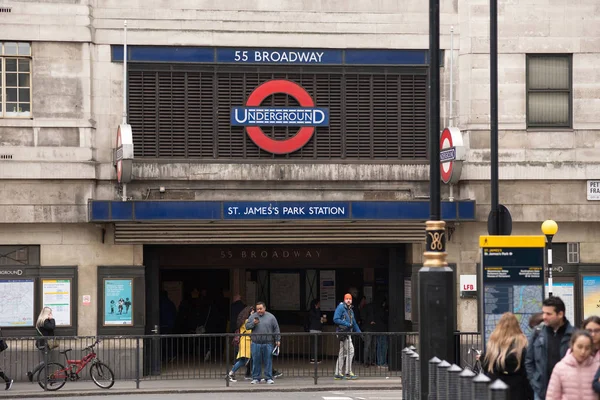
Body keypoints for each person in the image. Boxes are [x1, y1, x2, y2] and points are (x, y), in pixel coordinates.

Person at [525, 296, 575, 400]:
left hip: (566, 392)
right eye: (543, 312)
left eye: (548, 314)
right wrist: (535, 382)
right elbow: (529, 360)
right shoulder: (538, 333)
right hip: (541, 391)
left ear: (560, 314)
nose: (544, 317)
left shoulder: (573, 335)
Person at [481, 312, 533, 400]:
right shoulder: (521, 343)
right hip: (517, 390)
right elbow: (526, 370)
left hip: (496, 388)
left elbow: (486, 366)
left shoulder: (493, 343)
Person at [546, 330, 599, 400]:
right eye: (579, 347)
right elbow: (552, 396)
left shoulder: (597, 366)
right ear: (572, 345)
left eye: (587, 348)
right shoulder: (560, 367)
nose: (583, 352)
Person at [245, 302, 281, 384]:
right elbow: (247, 327)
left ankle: (268, 377)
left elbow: (276, 329)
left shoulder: (271, 317)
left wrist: (277, 340)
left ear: (264, 308)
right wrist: (253, 323)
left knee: (268, 360)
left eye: (260, 309)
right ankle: (256, 377)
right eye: (257, 309)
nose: (259, 310)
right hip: (256, 342)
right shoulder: (252, 316)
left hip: (268, 342)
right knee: (256, 360)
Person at [333, 293, 361, 380]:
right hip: (344, 333)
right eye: (347, 299)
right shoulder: (341, 307)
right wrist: (347, 324)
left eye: (350, 299)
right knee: (350, 350)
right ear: (344, 300)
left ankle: (338, 373)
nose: (348, 300)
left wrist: (359, 332)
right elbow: (335, 319)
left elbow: (354, 322)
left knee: (342, 353)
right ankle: (348, 372)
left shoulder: (350, 309)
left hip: (345, 333)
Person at [27, 307, 56, 382]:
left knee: (47, 362)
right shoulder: (44, 321)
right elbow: (52, 327)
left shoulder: (41, 321)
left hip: (43, 343)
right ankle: (32, 373)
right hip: (44, 343)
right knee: (46, 361)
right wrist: (52, 319)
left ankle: (46, 377)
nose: (51, 314)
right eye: (50, 313)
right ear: (47, 313)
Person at [227, 306, 253, 382]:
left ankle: (232, 373)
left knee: (244, 359)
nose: (254, 314)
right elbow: (249, 331)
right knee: (243, 360)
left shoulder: (243, 320)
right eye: (252, 312)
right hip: (246, 342)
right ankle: (230, 373)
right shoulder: (247, 321)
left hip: (245, 341)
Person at [307, 299, 326, 364]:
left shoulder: (318, 311)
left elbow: (320, 319)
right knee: (314, 345)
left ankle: (316, 357)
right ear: (315, 304)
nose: (319, 304)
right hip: (313, 329)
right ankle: (312, 358)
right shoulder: (312, 311)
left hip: (318, 329)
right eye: (318, 303)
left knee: (317, 345)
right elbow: (317, 317)